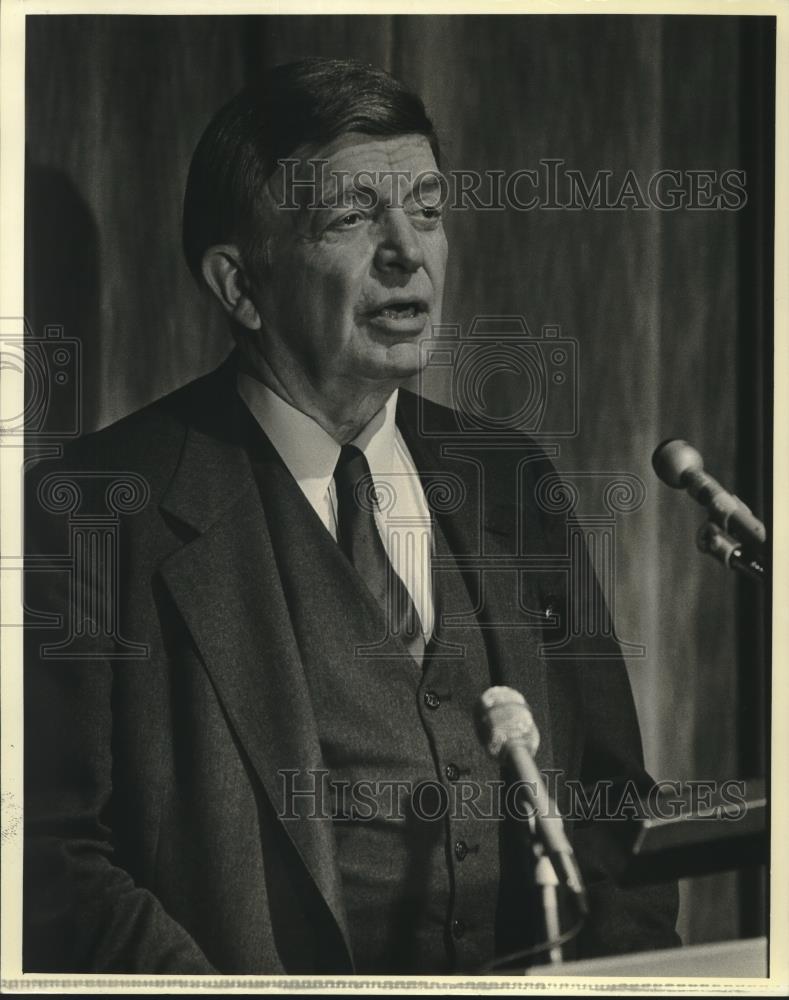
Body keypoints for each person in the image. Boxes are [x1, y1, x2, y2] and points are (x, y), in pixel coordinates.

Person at [23, 57, 680, 974]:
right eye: (351, 218)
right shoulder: (100, 507)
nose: (408, 251)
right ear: (238, 286)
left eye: (427, 209)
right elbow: (50, 860)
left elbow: (613, 813)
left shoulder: (509, 479)